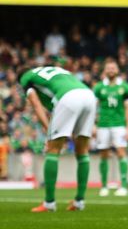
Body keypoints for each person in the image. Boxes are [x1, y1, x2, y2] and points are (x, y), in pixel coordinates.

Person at [21, 65, 97, 212]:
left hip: (67, 97)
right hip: (88, 95)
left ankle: (49, 203)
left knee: (53, 149)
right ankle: (79, 201)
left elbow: (36, 105)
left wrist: (47, 129)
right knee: (82, 151)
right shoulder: (56, 69)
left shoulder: (26, 76)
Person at [94, 60, 128, 197]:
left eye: (113, 68)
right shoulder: (98, 87)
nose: (111, 70)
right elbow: (93, 107)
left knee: (121, 152)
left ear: (117, 70)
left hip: (119, 124)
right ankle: (104, 186)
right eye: (108, 68)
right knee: (104, 154)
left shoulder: (124, 87)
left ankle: (123, 186)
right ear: (104, 70)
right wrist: (93, 125)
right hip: (103, 125)